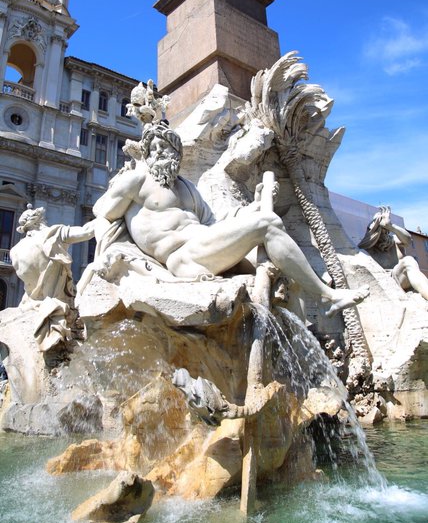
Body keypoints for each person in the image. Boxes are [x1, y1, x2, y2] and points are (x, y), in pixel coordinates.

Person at [92, 123, 368, 317]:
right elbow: (102, 214)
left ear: (177, 154)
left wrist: (256, 204)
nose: (159, 154)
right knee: (267, 224)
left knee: (280, 276)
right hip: (181, 258)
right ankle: (326, 295)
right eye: (153, 149)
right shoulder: (137, 180)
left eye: (165, 148)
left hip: (206, 247)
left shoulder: (187, 188)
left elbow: (215, 225)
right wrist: (114, 255)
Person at [10, 205, 95, 352]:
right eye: (45, 219)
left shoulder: (15, 251)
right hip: (58, 307)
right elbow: (87, 232)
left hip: (31, 306)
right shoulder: (53, 234)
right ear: (39, 222)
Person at [359, 206, 428, 301]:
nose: (386, 233)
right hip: (387, 282)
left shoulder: (392, 240)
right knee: (407, 261)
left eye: (386, 231)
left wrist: (391, 226)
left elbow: (408, 240)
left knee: (408, 260)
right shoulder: (366, 248)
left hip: (402, 277)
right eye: (383, 230)